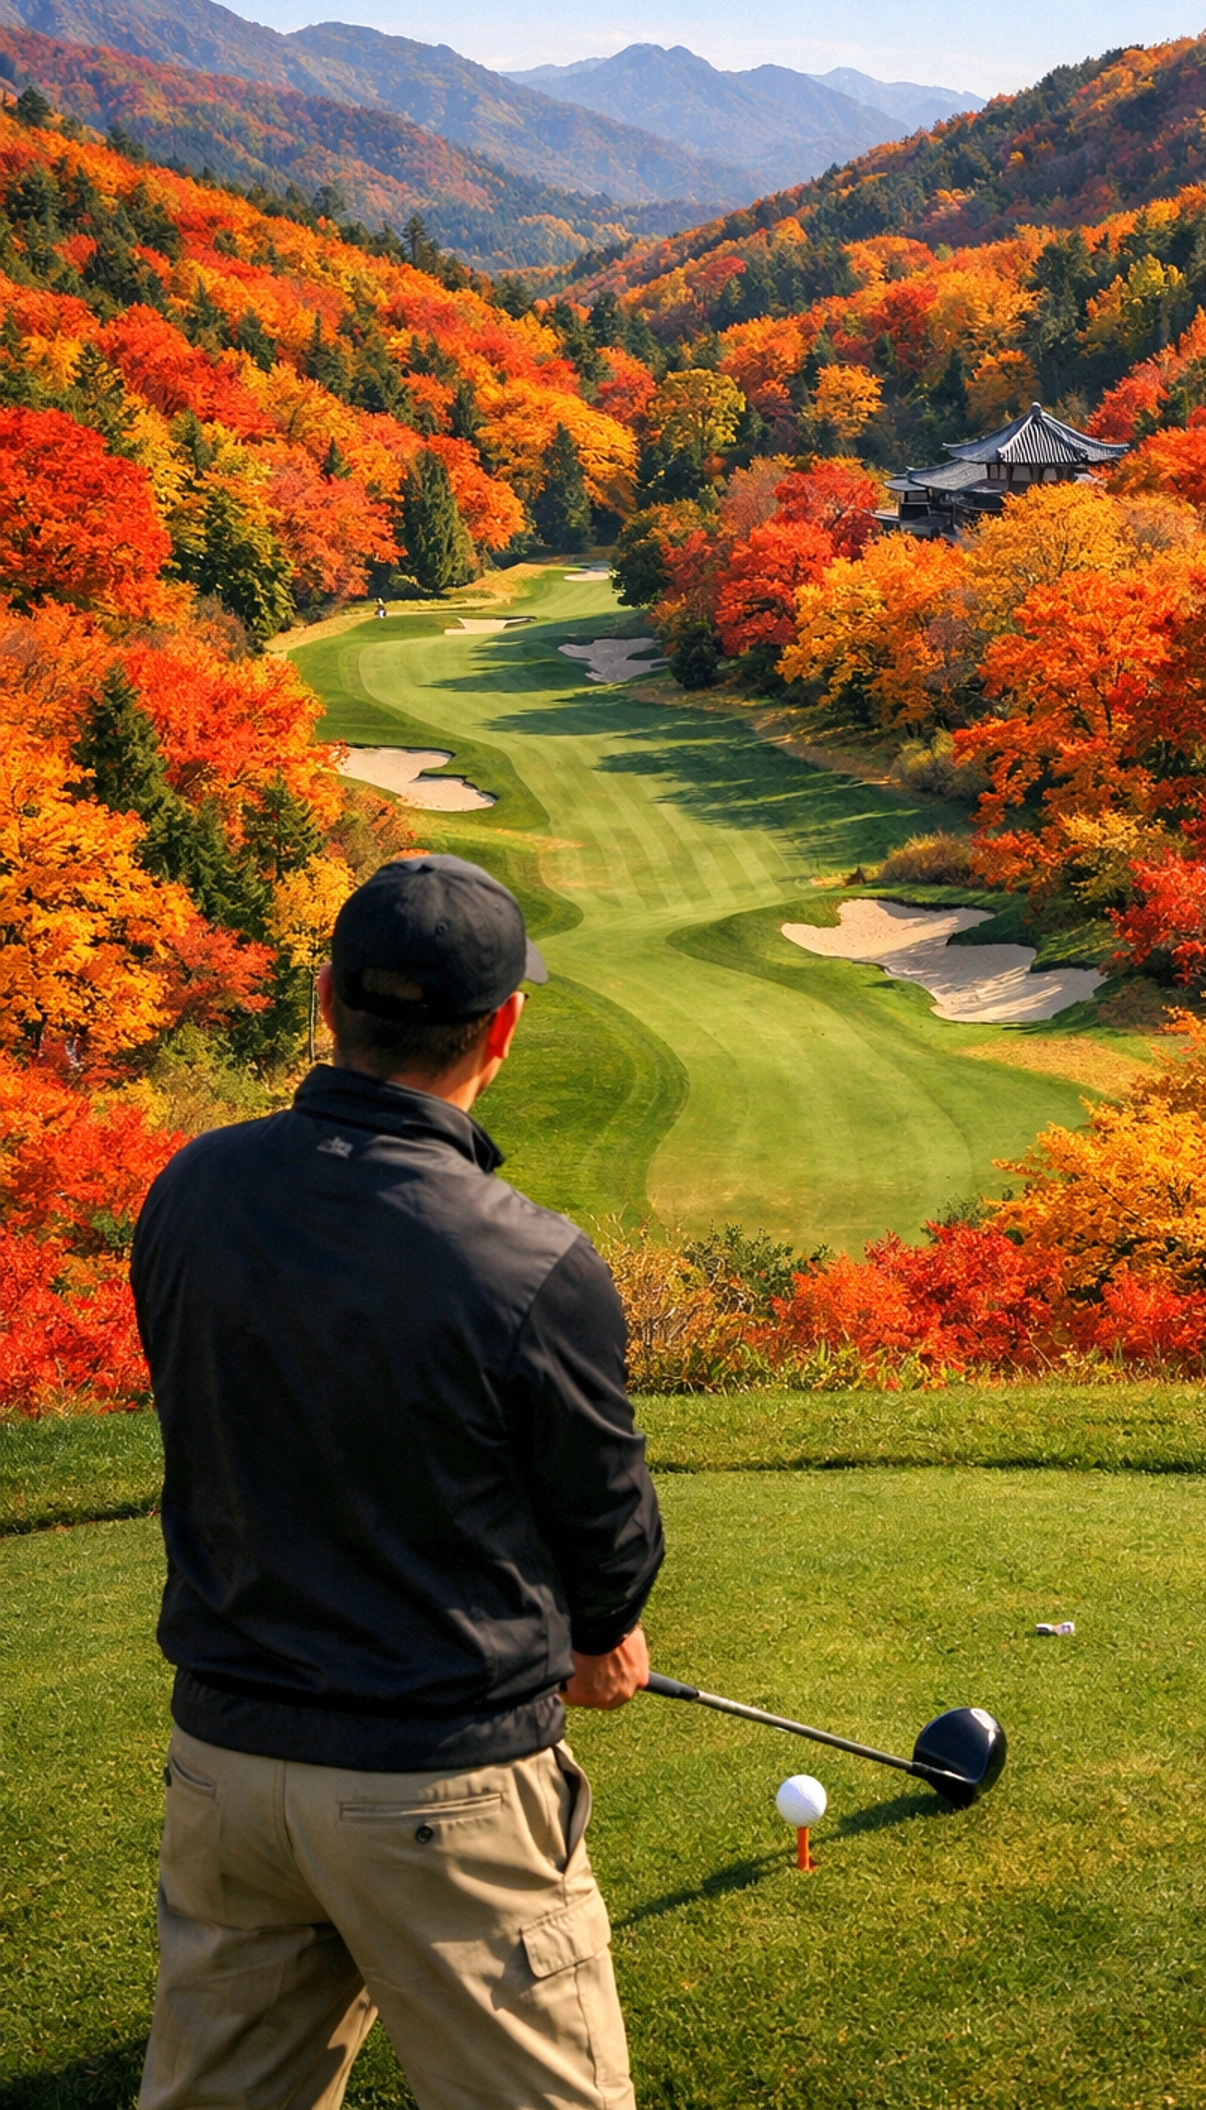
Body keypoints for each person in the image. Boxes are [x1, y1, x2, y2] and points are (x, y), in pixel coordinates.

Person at [131, 853, 664, 2110]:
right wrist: (596, 1640)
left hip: (224, 1773)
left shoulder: (192, 1186)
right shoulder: (528, 1259)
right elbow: (608, 1524)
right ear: (505, 1028)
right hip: (441, 1789)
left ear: (326, 1000)